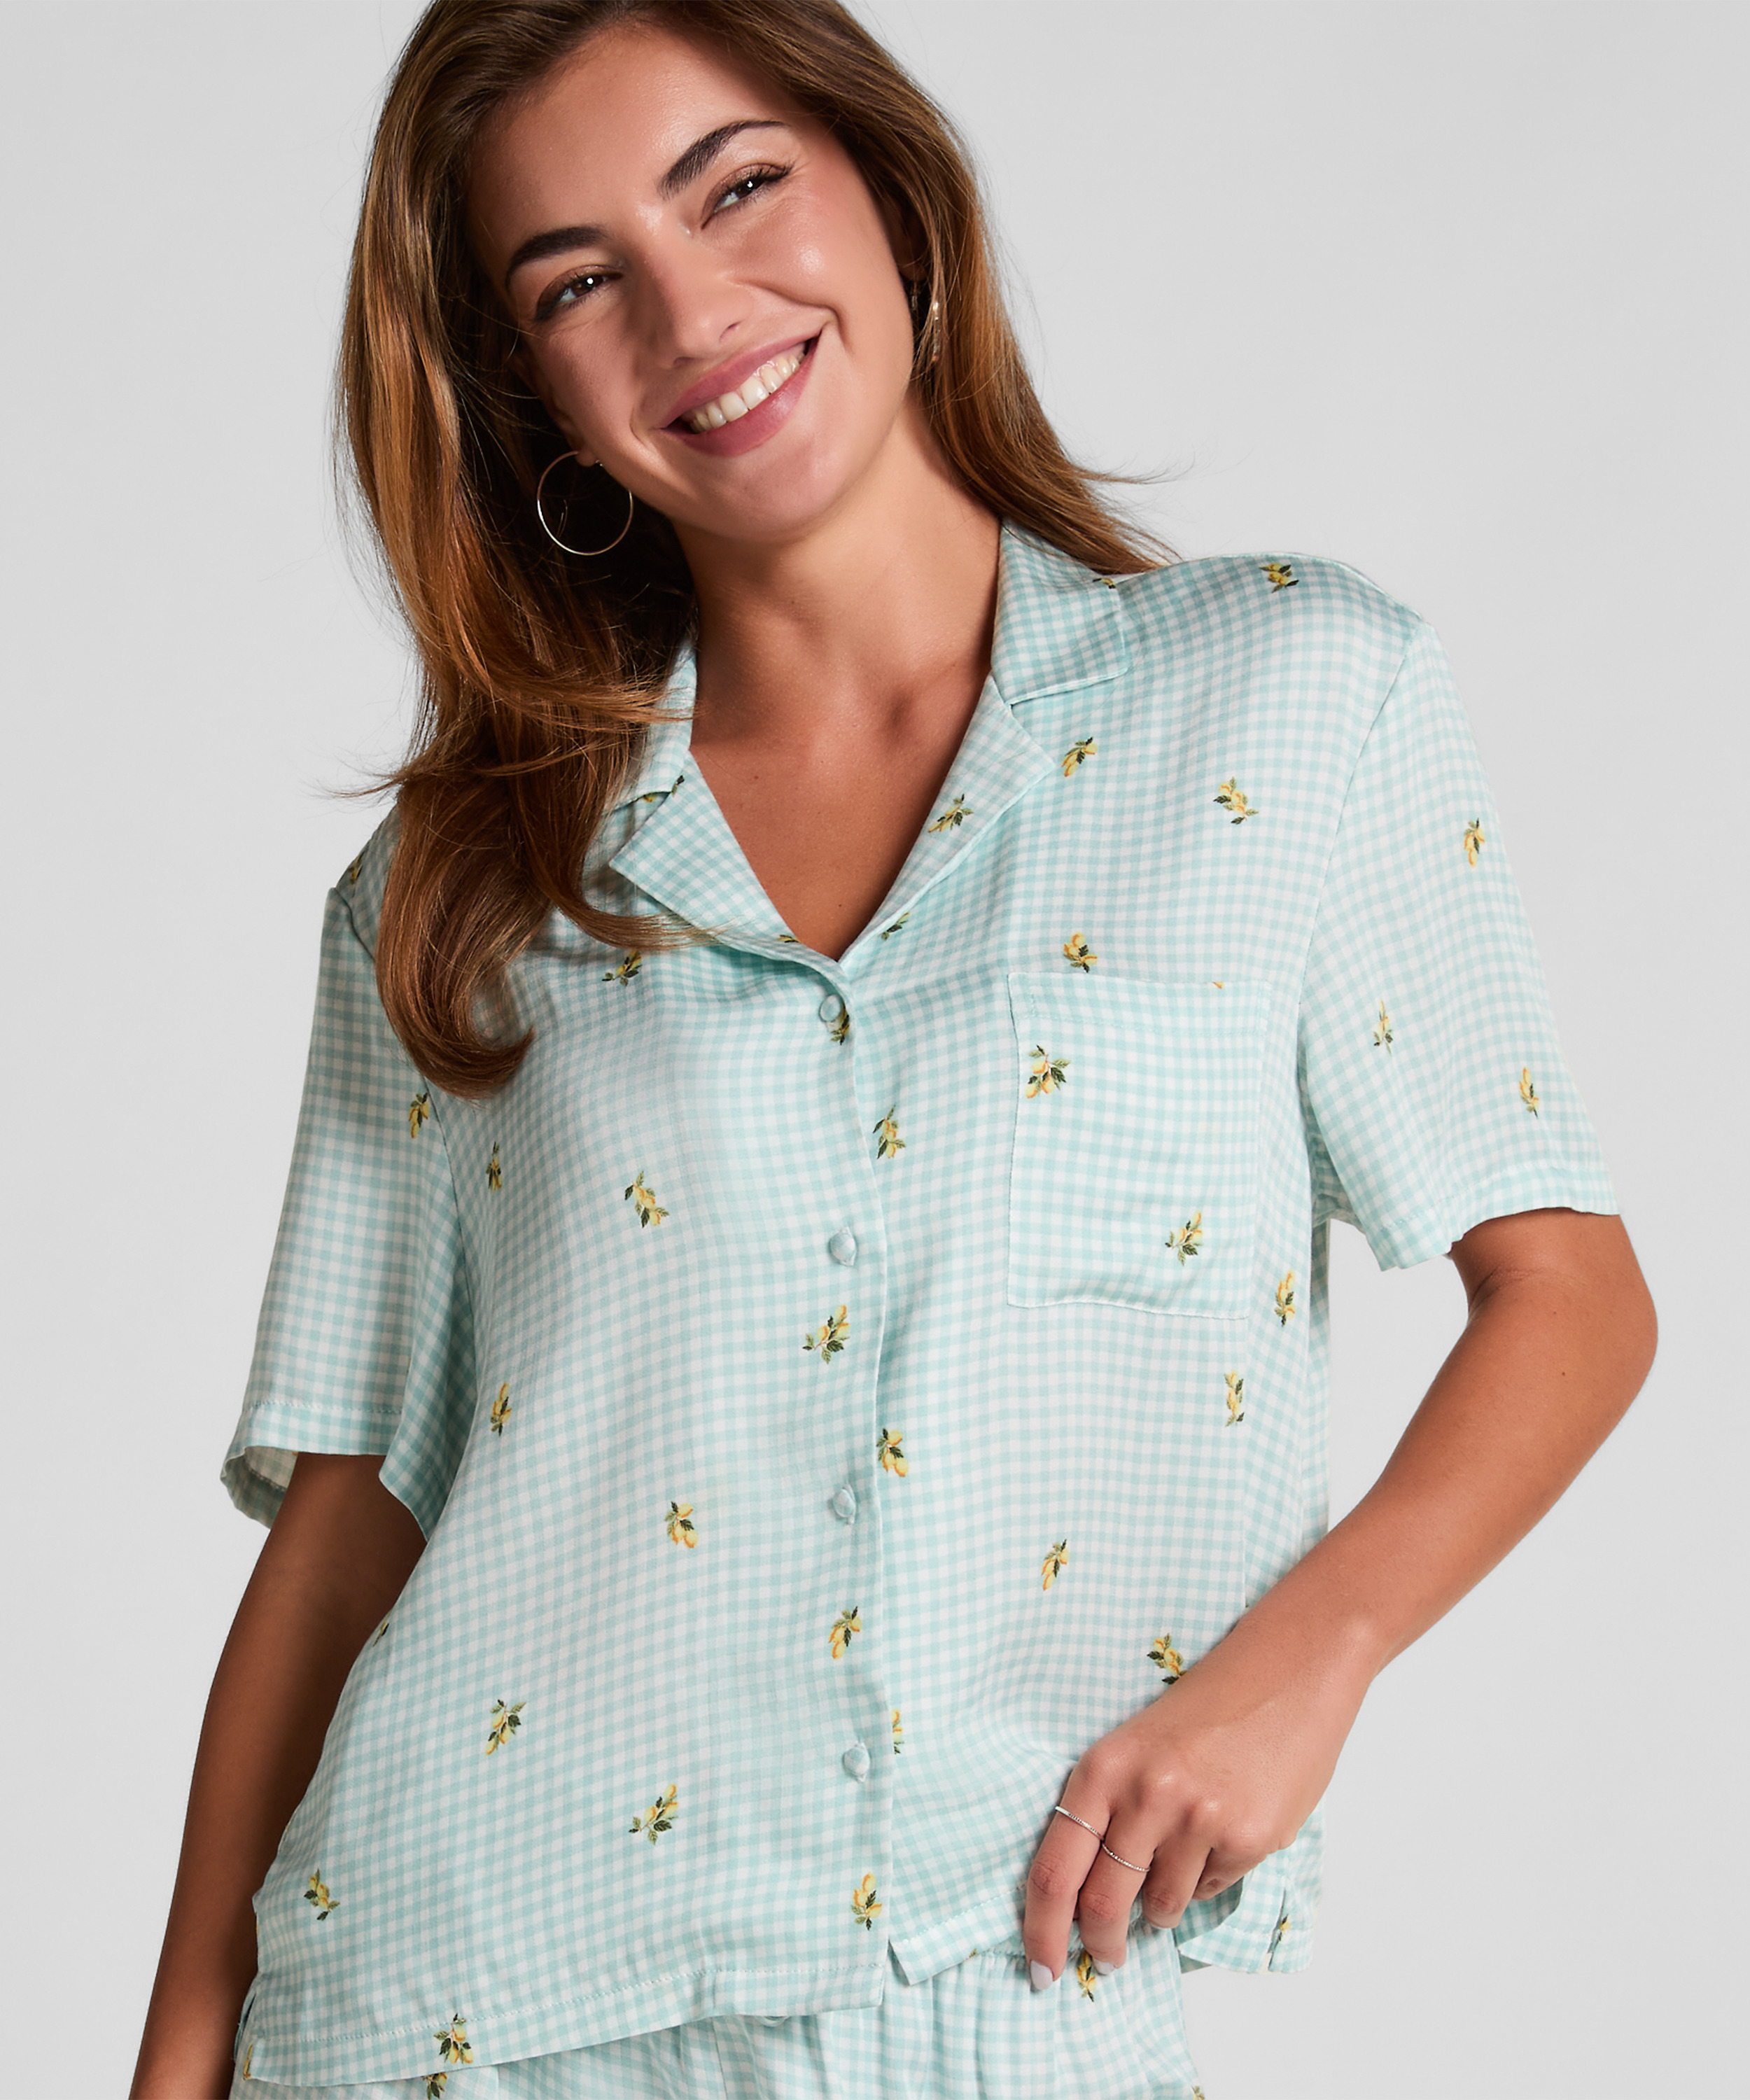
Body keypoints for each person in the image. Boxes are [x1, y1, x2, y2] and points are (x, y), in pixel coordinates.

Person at [128, 3, 1657, 2096]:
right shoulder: (461, 886)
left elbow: (1569, 1293)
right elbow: (347, 1525)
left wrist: (1313, 1660)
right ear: (530, 394)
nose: (691, 311)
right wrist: (175, 2063)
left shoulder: (1291, 698)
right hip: (457, 2004)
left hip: (1001, 1970)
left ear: (893, 192)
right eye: (576, 284)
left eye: (737, 185)